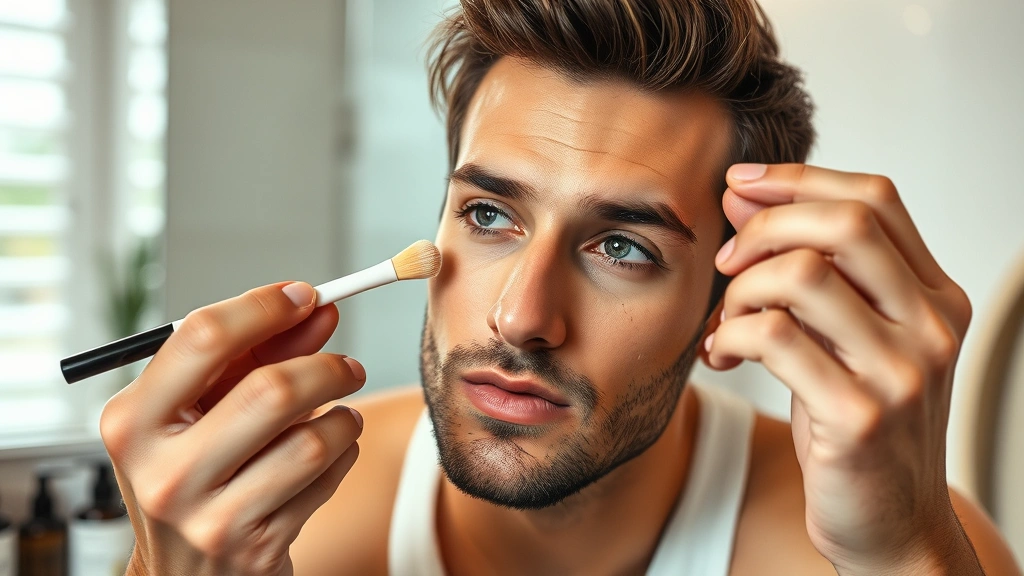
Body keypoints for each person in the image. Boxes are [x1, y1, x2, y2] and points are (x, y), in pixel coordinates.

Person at [99, 1, 1022, 574]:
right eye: (490, 216)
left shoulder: (871, 550)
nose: (520, 316)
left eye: (622, 246)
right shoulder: (286, 532)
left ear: (726, 304)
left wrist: (908, 559)